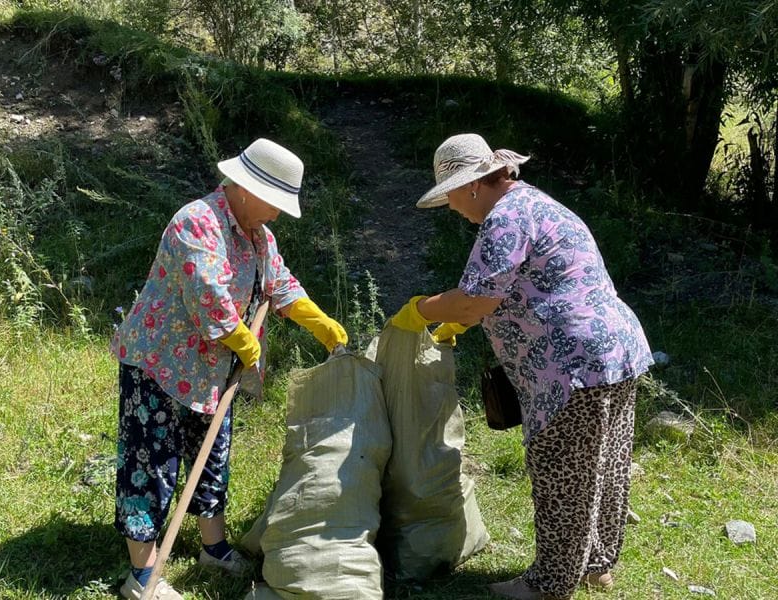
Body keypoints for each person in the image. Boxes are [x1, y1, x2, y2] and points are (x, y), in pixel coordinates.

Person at [389, 133, 653, 600]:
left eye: (449, 195)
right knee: (602, 464)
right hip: (613, 350)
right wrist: (465, 319)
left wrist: (422, 311)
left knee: (562, 469)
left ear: (472, 185)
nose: (451, 207)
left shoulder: (506, 217)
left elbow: (474, 301)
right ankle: (595, 566)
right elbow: (518, 287)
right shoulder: (536, 204)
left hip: (569, 362)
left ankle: (549, 586)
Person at [109, 138, 348, 600]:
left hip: (214, 371)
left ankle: (212, 548)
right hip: (160, 363)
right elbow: (209, 300)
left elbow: (279, 284)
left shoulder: (259, 235)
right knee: (151, 462)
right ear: (244, 187)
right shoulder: (197, 223)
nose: (278, 213)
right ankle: (142, 576)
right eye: (274, 201)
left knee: (211, 456)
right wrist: (242, 340)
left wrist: (319, 323)